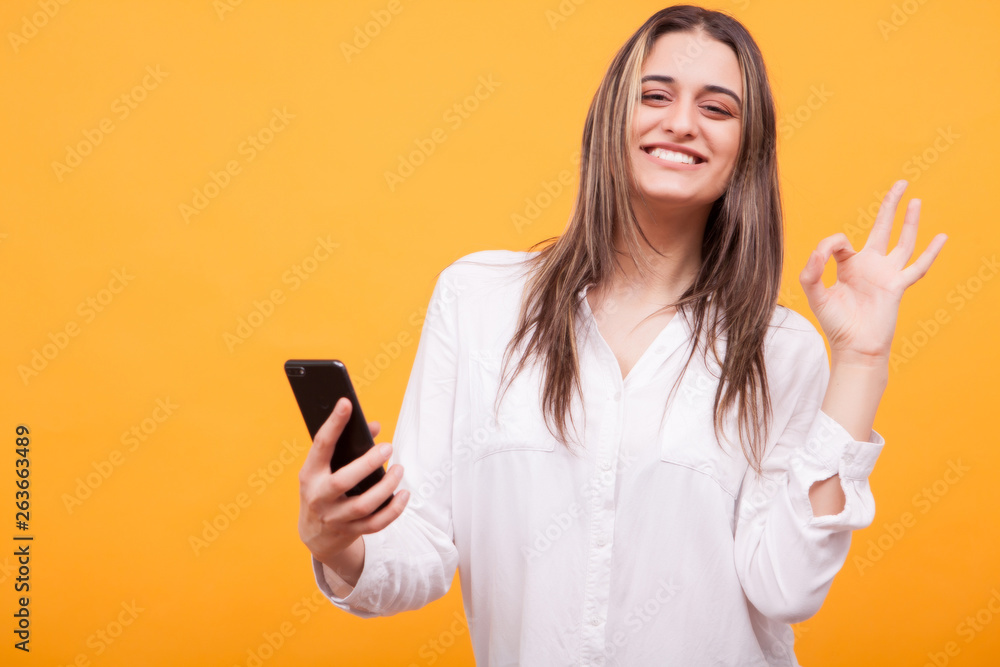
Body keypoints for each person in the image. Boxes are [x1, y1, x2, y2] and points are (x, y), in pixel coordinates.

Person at [297, 5, 947, 665]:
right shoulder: (478, 302)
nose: (682, 122)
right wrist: (339, 540)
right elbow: (423, 547)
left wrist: (862, 362)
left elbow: (787, 584)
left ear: (746, 152)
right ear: (612, 117)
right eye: (655, 95)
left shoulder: (782, 349)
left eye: (718, 109)